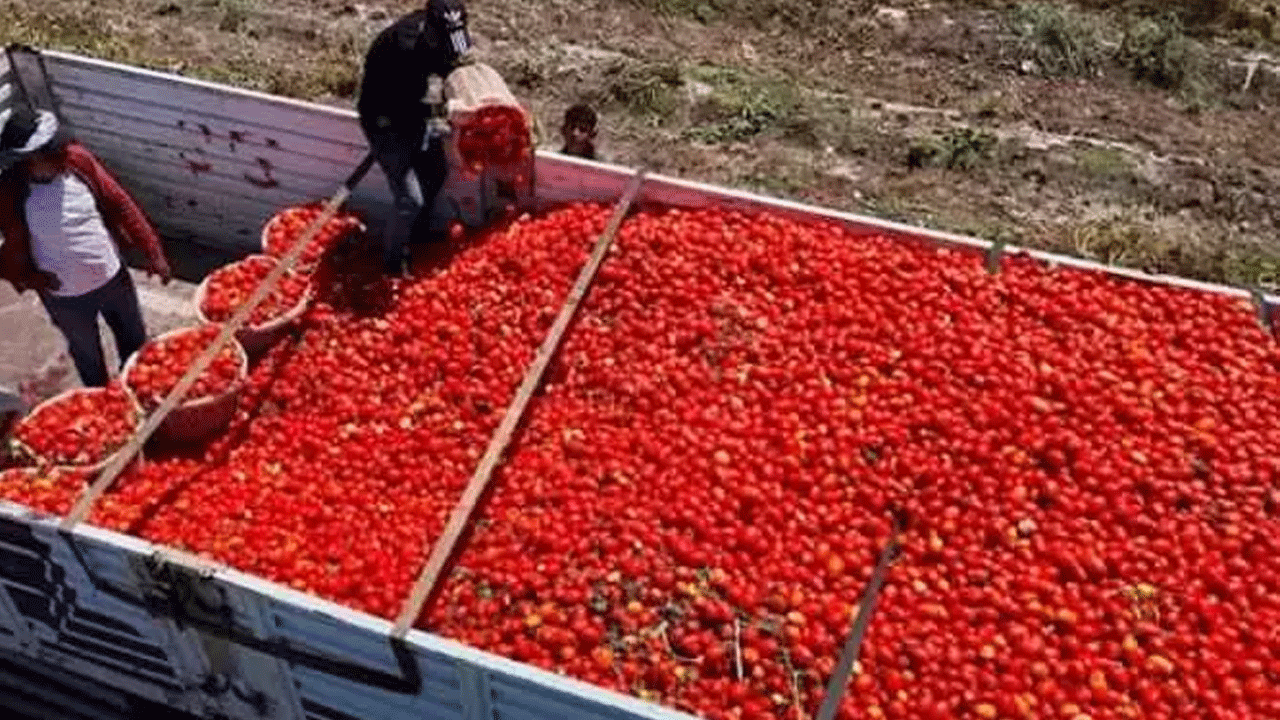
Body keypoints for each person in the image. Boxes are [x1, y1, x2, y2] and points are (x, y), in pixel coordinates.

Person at [0, 106, 171, 388]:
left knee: (134, 343)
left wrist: (153, 252)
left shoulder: (79, 162)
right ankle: (102, 404)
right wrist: (28, 277)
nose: (65, 154)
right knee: (88, 355)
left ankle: (139, 392)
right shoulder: (9, 192)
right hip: (65, 299)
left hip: (113, 279)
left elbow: (120, 203)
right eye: (55, 152)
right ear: (30, 160)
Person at [358, 0, 475, 274]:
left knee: (436, 170)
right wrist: (445, 110)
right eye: (445, 40)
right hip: (385, 119)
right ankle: (392, 266)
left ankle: (415, 236)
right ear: (430, 30)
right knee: (410, 200)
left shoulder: (433, 34)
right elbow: (404, 107)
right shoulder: (404, 49)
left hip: (412, 112)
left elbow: (450, 64)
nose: (449, 47)